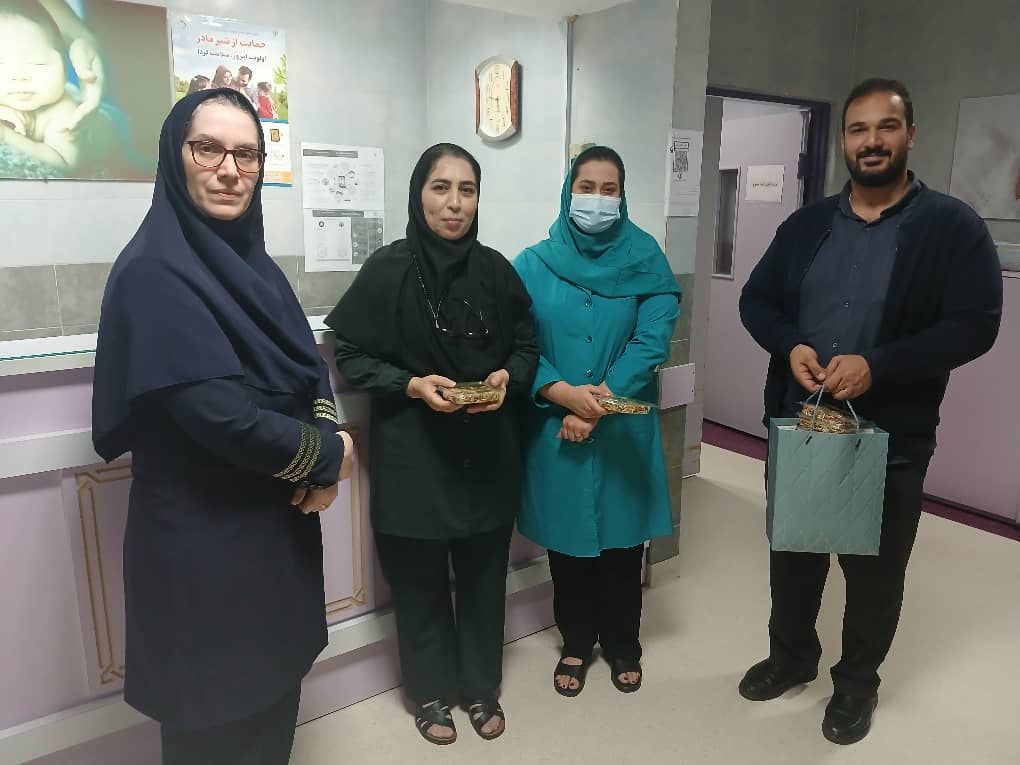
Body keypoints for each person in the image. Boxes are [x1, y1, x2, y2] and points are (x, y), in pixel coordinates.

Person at [92, 88, 356, 765]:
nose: (230, 169)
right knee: (212, 725)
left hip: (275, 531)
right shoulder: (155, 272)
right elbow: (220, 416)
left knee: (272, 709)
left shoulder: (255, 268)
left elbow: (309, 369)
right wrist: (330, 457)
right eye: (207, 149)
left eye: (247, 154)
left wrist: (326, 447)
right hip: (202, 548)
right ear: (174, 155)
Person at [738, 78, 1002, 745]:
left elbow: (975, 325)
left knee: (875, 571)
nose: (872, 140)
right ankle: (790, 657)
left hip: (890, 438)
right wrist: (790, 343)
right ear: (844, 142)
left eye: (886, 126)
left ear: (910, 134)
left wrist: (878, 365)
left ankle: (856, 683)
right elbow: (756, 301)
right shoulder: (806, 226)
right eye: (858, 128)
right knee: (794, 554)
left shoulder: (952, 228)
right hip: (803, 426)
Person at [324, 143, 538, 746]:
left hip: (486, 454)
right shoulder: (388, 269)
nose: (454, 203)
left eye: (467, 189)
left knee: (483, 581)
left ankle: (481, 688)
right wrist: (410, 384)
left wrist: (507, 377)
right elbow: (350, 353)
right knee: (418, 584)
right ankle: (430, 694)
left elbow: (527, 347)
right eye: (440, 188)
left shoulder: (496, 271)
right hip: (413, 453)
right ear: (418, 195)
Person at [513, 146, 681, 698]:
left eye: (610, 190)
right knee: (567, 548)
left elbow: (652, 338)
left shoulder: (646, 258)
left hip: (622, 425)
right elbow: (518, 343)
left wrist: (598, 404)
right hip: (554, 423)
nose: (598, 200)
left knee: (623, 545)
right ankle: (576, 641)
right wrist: (564, 395)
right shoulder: (532, 264)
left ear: (623, 196)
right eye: (587, 187)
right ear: (569, 192)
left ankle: (624, 642)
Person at [0, 0, 113, 173]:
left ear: (66, 68)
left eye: (38, 63)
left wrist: (6, 135)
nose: (20, 76)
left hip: (113, 126)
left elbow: (66, 163)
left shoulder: (64, 112)